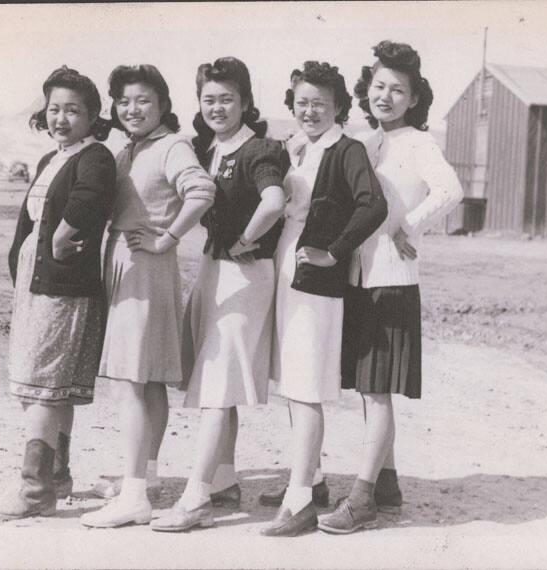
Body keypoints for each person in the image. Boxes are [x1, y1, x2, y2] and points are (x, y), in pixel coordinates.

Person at [318, 41, 463, 535]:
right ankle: (387, 485)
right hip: (360, 277)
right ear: (367, 88)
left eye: (399, 90)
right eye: (379, 86)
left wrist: (412, 227)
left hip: (393, 281)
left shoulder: (420, 143)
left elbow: (451, 189)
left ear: (414, 98)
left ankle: (361, 498)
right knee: (369, 389)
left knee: (376, 392)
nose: (387, 96)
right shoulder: (365, 138)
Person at [150, 57, 287, 532]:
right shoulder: (207, 148)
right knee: (218, 382)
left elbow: (274, 201)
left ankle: (194, 497)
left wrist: (247, 239)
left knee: (215, 382)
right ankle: (224, 480)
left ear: (246, 102)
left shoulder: (261, 150)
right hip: (215, 269)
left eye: (227, 98)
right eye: (209, 99)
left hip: (246, 276)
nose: (217, 107)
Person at [80, 64, 216, 528]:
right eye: (123, 101)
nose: (131, 109)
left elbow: (201, 192)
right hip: (134, 263)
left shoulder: (172, 145)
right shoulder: (131, 148)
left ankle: (134, 496)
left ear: (162, 105)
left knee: (128, 380)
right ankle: (148, 479)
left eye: (142, 100)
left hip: (143, 263)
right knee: (150, 378)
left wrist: (167, 238)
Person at [261, 61, 387, 537]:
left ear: (338, 106)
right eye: (302, 101)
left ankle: (299, 505)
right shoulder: (298, 148)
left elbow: (373, 204)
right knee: (293, 381)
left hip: (316, 280)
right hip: (285, 267)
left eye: (319, 102)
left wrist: (335, 252)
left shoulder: (346, 149)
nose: (309, 110)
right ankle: (310, 480)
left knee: (307, 384)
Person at [0, 66, 117, 520]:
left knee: (43, 387)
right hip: (37, 282)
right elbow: (30, 222)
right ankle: (59, 476)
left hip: (63, 286)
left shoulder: (95, 156)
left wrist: (64, 236)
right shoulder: (51, 158)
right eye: (54, 109)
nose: (61, 118)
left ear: (93, 115)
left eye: (73, 110)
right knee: (47, 388)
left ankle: (34, 491)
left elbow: (88, 197)